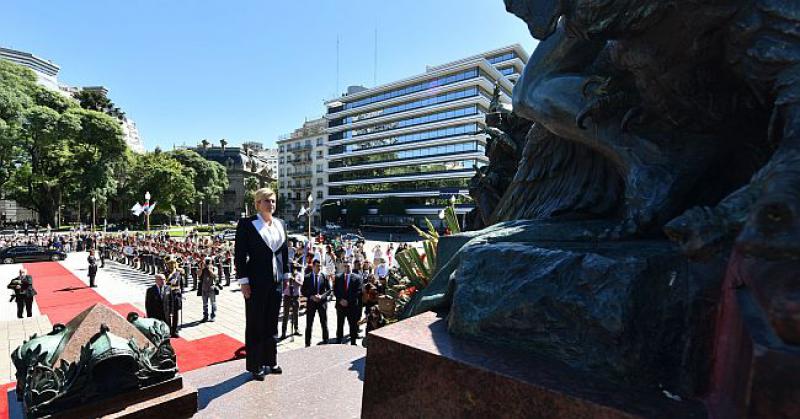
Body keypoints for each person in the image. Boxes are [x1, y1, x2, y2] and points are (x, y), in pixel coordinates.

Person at [235, 188, 290, 381]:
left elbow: (284, 252)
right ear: (258, 203)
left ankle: (271, 360)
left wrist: (287, 276)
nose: (271, 204)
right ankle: (255, 364)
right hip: (255, 283)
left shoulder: (280, 224)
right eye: (267, 201)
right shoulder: (247, 224)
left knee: (272, 323)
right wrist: (244, 282)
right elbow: (240, 255)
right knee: (256, 324)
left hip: (276, 282)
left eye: (273, 201)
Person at [302, 259, 330, 347]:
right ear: (313, 266)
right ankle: (307, 343)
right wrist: (311, 296)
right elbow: (303, 291)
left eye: (320, 266)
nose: (319, 268)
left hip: (322, 304)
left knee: (324, 323)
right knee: (309, 324)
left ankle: (326, 341)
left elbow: (329, 290)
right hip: (311, 304)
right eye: (318, 266)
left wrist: (321, 296)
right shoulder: (307, 277)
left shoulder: (324, 276)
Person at [334, 261, 363, 345]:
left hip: (352, 306)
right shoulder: (338, 277)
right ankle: (339, 340)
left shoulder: (357, 278)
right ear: (343, 267)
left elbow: (358, 291)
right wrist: (340, 300)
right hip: (340, 306)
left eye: (348, 266)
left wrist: (348, 301)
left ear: (351, 267)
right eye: (345, 266)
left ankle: (353, 342)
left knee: (353, 325)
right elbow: (335, 290)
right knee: (340, 324)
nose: (347, 268)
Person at [281, 265, 303, 339]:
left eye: (295, 268)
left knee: (296, 314)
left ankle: (296, 329)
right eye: (292, 268)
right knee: (286, 314)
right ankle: (283, 332)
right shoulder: (287, 275)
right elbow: (283, 284)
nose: (294, 269)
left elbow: (301, 284)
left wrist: (295, 280)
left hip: (295, 296)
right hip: (287, 296)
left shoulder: (299, 275)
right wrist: (287, 282)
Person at [198, 257, 221, 322]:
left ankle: (213, 316)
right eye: (206, 261)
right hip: (204, 288)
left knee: (213, 303)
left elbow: (214, 276)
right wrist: (201, 268)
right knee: (205, 304)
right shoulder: (203, 268)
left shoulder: (214, 268)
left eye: (209, 261)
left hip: (212, 288)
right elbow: (198, 275)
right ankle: (205, 317)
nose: (207, 263)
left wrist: (209, 269)